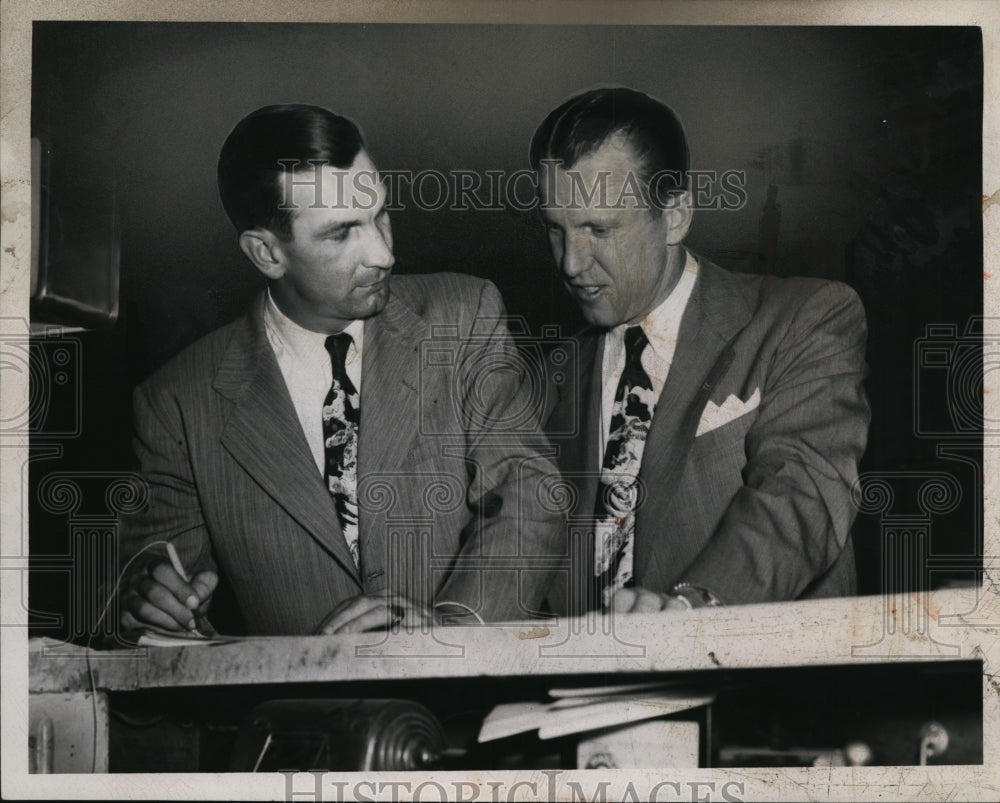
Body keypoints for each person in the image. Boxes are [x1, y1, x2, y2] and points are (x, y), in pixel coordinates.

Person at [118, 104, 561, 637]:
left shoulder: (464, 315)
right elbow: (160, 615)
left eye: (380, 215)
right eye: (340, 233)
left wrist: (446, 635)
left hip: (472, 703)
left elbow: (530, 494)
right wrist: (154, 603)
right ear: (265, 253)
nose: (382, 254)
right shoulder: (175, 404)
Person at [532, 87, 870, 616]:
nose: (571, 264)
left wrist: (695, 610)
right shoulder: (545, 378)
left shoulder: (804, 316)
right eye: (556, 230)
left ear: (675, 216)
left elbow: (804, 493)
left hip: (758, 691)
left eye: (599, 229)